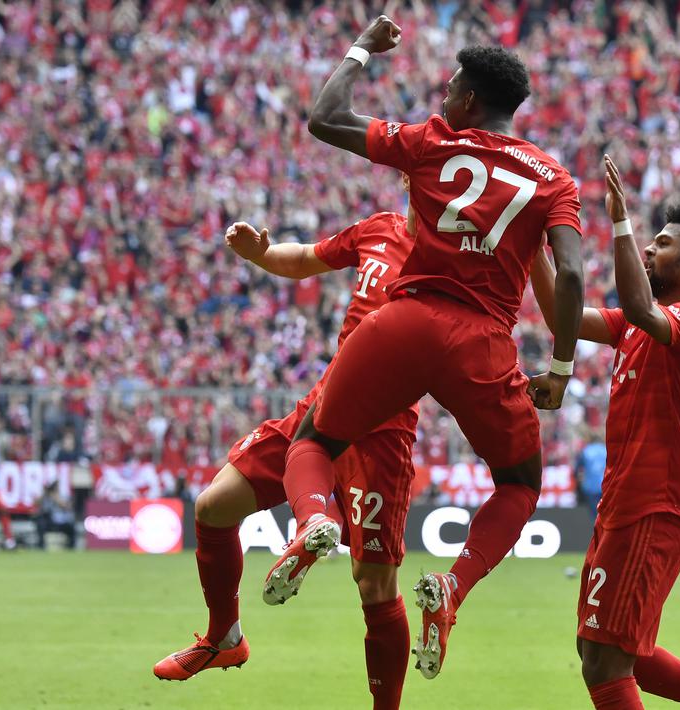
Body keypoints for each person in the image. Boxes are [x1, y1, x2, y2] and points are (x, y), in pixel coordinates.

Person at [282, 16, 585, 681]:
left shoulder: (430, 142)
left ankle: (309, 523)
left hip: (405, 319)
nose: (442, 96)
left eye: (450, 87)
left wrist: (363, 47)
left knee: (312, 441)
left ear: (468, 100)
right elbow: (571, 273)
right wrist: (560, 369)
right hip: (482, 343)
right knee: (519, 483)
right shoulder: (553, 178)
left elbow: (324, 117)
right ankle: (453, 586)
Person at [532, 155, 680, 710]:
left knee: (605, 658)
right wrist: (530, 251)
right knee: (607, 646)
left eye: (660, 243)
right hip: (627, 498)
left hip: (655, 501)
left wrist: (620, 220)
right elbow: (561, 316)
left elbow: (639, 304)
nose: (648, 248)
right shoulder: (641, 326)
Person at [154, 212, 419, 710]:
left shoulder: (458, 260)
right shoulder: (379, 228)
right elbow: (303, 258)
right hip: (324, 405)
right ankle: (224, 639)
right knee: (213, 506)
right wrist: (260, 255)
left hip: (382, 433)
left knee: (376, 587)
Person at [35, 481, 76, 549]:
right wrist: (44, 494)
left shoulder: (62, 495)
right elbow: (36, 504)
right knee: (40, 523)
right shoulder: (45, 497)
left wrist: (55, 497)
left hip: (61, 521)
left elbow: (66, 507)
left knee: (71, 526)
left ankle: (71, 546)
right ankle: (41, 545)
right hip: (49, 521)